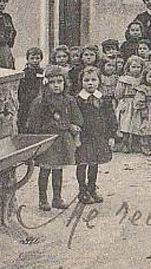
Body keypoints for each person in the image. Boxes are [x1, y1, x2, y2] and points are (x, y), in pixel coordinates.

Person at [27, 65, 82, 211]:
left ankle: (57, 198)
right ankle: (43, 199)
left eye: (59, 82)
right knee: (45, 170)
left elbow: (77, 118)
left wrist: (73, 125)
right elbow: (32, 124)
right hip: (47, 140)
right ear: (46, 84)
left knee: (58, 170)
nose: (56, 85)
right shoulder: (40, 102)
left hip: (62, 140)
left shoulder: (69, 100)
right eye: (52, 82)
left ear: (65, 83)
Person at [74, 66, 117, 205]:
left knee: (94, 163)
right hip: (84, 137)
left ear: (99, 81)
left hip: (99, 136)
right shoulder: (78, 100)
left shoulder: (103, 99)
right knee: (82, 163)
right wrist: (76, 135)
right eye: (86, 80)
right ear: (81, 82)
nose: (90, 83)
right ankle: (82, 191)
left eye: (93, 80)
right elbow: (74, 119)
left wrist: (111, 135)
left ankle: (92, 188)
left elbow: (110, 118)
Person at [114, 56, 143, 153]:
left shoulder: (142, 79)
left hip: (138, 103)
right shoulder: (124, 80)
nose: (136, 69)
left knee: (137, 123)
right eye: (133, 67)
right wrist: (122, 102)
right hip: (127, 102)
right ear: (128, 67)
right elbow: (118, 94)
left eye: (138, 67)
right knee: (125, 123)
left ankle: (135, 143)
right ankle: (125, 143)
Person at [17, 47, 44, 133]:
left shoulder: (42, 71)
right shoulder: (24, 73)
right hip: (27, 100)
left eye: (37, 58)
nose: (35, 61)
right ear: (27, 59)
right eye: (32, 58)